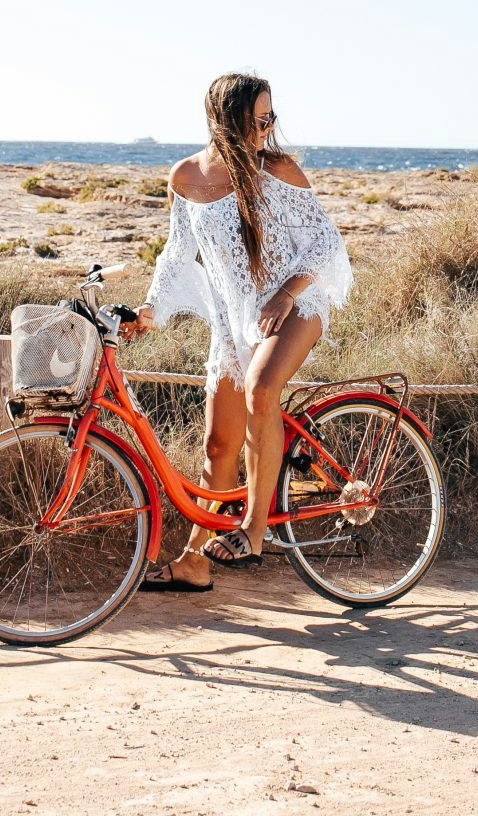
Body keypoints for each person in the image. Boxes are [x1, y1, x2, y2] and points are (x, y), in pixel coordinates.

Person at [117, 72, 353, 587]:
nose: (266, 130)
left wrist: (285, 293)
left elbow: (326, 243)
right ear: (226, 120)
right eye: (257, 120)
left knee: (261, 389)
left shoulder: (277, 171)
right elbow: (176, 253)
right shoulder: (185, 177)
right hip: (233, 320)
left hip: (294, 302)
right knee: (218, 447)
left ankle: (255, 528)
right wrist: (150, 309)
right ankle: (195, 562)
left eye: (271, 119)